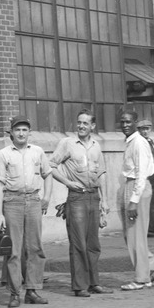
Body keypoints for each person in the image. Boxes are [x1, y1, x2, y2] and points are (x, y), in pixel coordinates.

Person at [50, 109, 112, 297]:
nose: (81, 126)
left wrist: (105, 200)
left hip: (94, 197)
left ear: (92, 126)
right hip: (77, 198)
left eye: (85, 123)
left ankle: (94, 282)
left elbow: (101, 173)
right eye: (79, 123)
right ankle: (79, 286)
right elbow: (50, 166)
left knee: (93, 243)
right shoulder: (67, 144)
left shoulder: (96, 146)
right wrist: (68, 182)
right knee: (79, 243)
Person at [0, 116, 53, 307]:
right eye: (17, 130)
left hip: (34, 200)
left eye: (24, 130)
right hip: (12, 201)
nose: (21, 133)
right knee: (14, 250)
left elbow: (48, 174)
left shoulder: (37, 152)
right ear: (11, 132)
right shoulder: (3, 154)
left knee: (35, 247)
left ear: (29, 132)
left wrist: (46, 198)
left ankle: (33, 290)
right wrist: (0, 212)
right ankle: (14, 293)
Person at [117, 111, 154, 291]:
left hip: (138, 186)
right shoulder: (131, 142)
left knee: (136, 235)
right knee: (133, 234)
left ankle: (142, 278)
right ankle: (150, 267)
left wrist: (134, 200)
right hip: (131, 185)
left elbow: (142, 173)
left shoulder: (138, 143)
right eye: (122, 122)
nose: (125, 125)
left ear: (135, 122)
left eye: (128, 122)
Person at [136, 119, 154, 235]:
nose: (145, 131)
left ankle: (152, 227)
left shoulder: (150, 141)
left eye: (147, 129)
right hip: (146, 176)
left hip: (153, 176)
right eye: (143, 129)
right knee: (149, 203)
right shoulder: (140, 142)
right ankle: (148, 229)